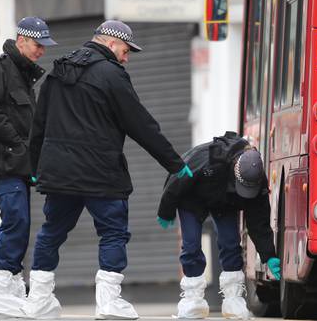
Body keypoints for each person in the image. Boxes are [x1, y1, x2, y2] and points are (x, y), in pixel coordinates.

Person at [23, 20, 193, 319]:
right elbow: (140, 124)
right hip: (100, 172)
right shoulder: (111, 75)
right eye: (126, 51)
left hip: (60, 173)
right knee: (113, 232)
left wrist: (36, 167)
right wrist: (175, 164)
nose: (126, 58)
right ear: (111, 43)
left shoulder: (58, 70)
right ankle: (108, 302)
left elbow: (39, 124)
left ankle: (38, 300)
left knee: (51, 231)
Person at [0, 16, 57, 317]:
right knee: (15, 220)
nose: (41, 51)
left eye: (44, 46)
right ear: (21, 40)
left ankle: (11, 283)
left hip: (19, 165)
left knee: (21, 223)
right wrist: (19, 144)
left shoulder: (23, 75)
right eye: (38, 45)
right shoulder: (0, 68)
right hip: (4, 162)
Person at [157, 131, 281, 319]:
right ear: (234, 171)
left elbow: (259, 219)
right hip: (192, 198)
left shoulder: (258, 179)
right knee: (191, 245)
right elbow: (176, 180)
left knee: (230, 242)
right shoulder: (206, 159)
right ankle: (193, 301)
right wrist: (165, 211)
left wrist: (268, 254)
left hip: (225, 201)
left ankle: (233, 300)